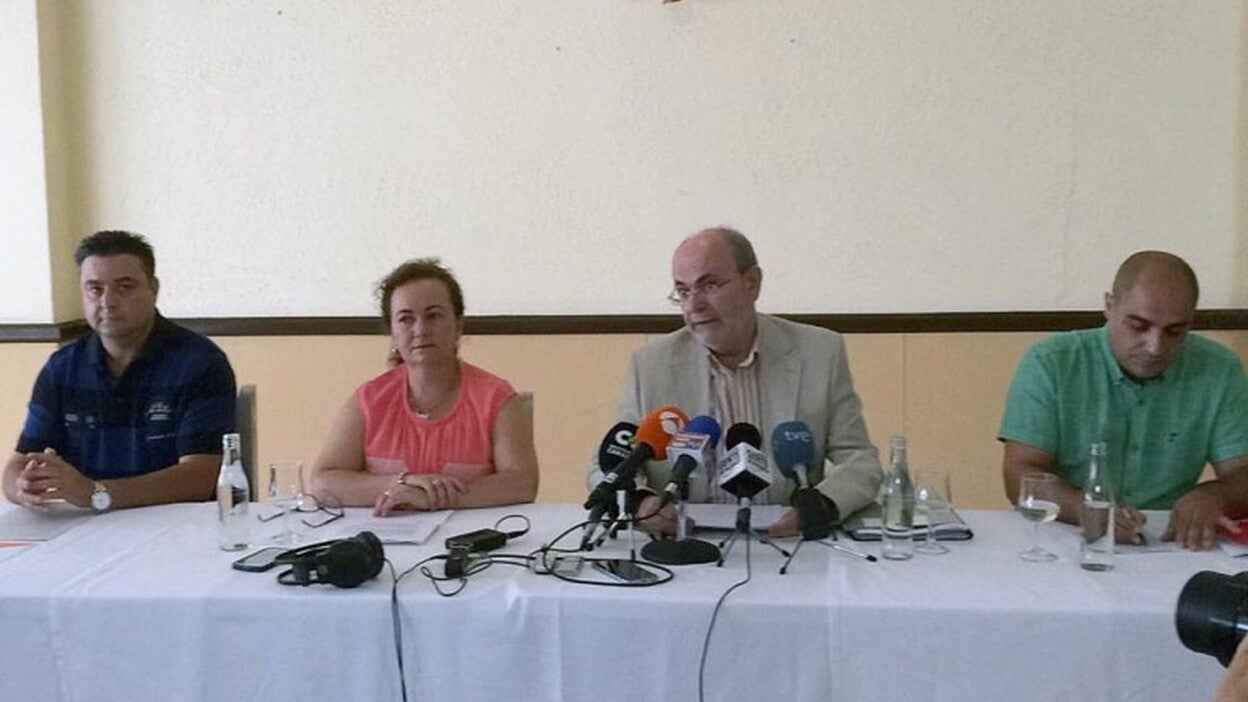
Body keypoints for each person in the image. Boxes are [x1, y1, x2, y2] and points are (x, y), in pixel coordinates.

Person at [587, 227, 882, 537]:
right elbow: (607, 466)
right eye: (683, 291)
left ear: (752, 282)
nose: (694, 305)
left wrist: (820, 506)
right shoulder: (651, 364)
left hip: (786, 539)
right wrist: (641, 504)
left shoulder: (819, 352)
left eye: (709, 285)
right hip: (684, 542)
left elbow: (860, 461)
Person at [1000, 251, 1248, 550]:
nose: (1155, 347)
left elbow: (1242, 472)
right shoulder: (1051, 362)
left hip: (1170, 542)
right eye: (1139, 326)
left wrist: (1217, 495)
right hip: (1064, 535)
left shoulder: (1219, 369)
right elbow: (1021, 475)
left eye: (1174, 332)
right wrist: (1086, 509)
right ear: (1109, 306)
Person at [3, 231, 237, 513]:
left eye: (124, 287)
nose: (107, 302)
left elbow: (201, 477)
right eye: (95, 289)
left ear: (154, 289)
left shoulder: (201, 363)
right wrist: (23, 486)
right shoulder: (61, 368)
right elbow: (16, 467)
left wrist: (96, 493)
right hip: (86, 526)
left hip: (175, 525)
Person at [308, 258, 538, 516]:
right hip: (388, 537)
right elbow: (322, 482)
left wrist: (433, 498)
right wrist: (400, 484)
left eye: (433, 316)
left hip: (475, 539)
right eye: (405, 319)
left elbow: (522, 483)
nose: (420, 330)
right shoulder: (369, 400)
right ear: (392, 333)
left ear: (458, 326)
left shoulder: (496, 398)